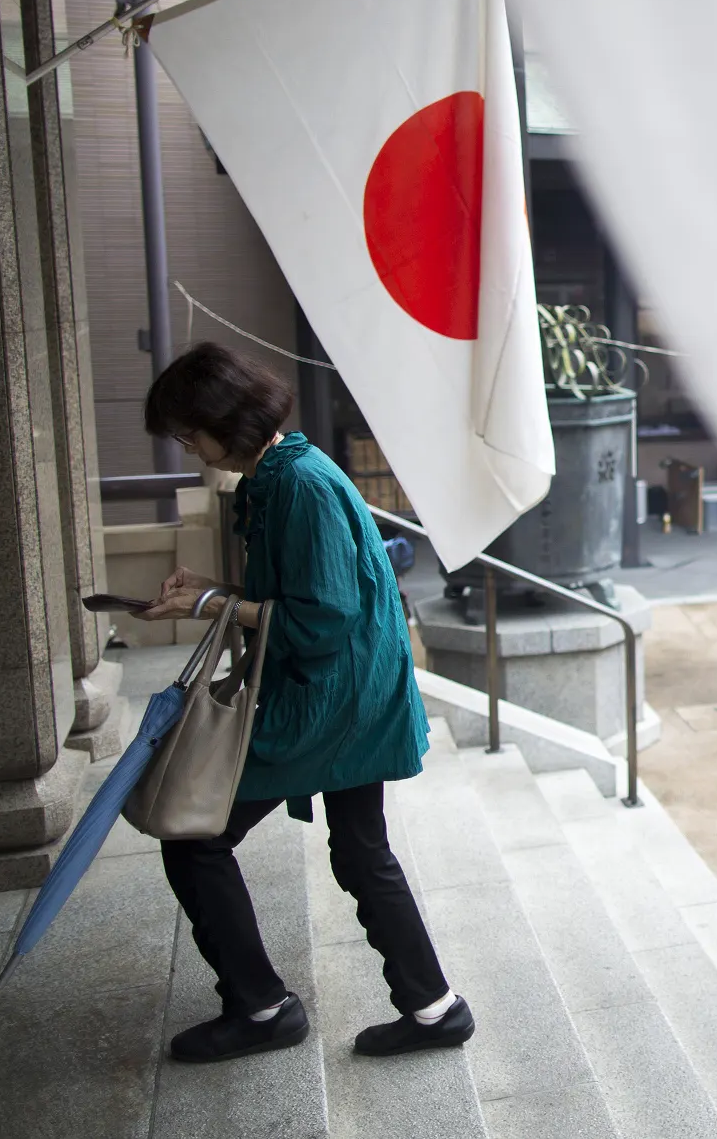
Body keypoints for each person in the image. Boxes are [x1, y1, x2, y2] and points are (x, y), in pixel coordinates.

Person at [139, 342, 472, 1064]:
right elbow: (307, 606)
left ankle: (261, 1010)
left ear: (224, 419)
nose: (188, 446)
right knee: (360, 850)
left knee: (196, 838)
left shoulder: (298, 486)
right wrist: (215, 595)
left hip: (334, 702)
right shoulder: (283, 471)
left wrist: (210, 602)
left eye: (188, 431)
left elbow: (320, 620)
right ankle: (433, 1007)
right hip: (353, 692)